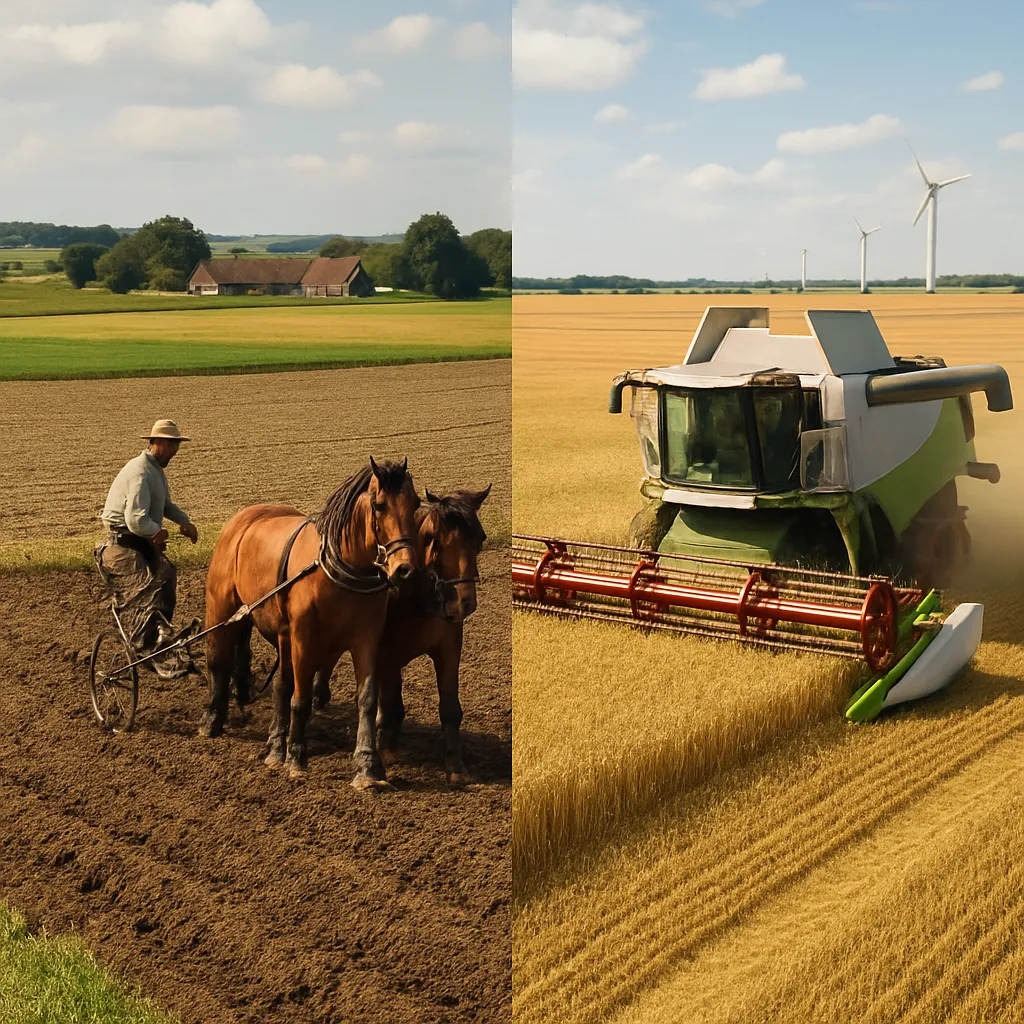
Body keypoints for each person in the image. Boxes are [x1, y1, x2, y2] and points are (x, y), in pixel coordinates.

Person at [96, 419, 199, 679]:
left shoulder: (156, 471)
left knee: (167, 575)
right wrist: (156, 532)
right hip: (123, 546)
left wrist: (185, 522)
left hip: (140, 541)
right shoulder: (141, 472)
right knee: (145, 591)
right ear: (161, 443)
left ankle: (161, 635)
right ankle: (146, 645)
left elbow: (165, 506)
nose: (177, 451)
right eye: (175, 445)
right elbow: (135, 520)